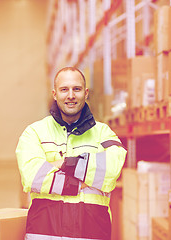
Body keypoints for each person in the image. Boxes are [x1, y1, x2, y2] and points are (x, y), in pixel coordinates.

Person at [16, 67, 127, 240]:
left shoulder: (103, 133)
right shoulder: (34, 132)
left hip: (91, 233)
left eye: (76, 89)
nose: (70, 95)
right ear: (54, 94)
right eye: (64, 89)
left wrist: (63, 163)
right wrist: (82, 181)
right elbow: (33, 176)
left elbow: (112, 169)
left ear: (86, 92)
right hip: (44, 233)